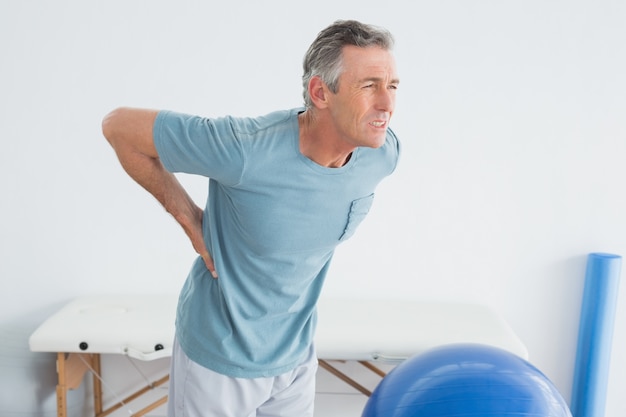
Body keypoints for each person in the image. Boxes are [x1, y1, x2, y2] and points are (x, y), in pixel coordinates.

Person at [102, 19, 400, 417]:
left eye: (393, 86)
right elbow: (119, 127)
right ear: (320, 92)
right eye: (369, 86)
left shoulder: (381, 153)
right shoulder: (246, 151)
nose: (387, 104)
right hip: (218, 360)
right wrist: (187, 215)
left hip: (295, 356)